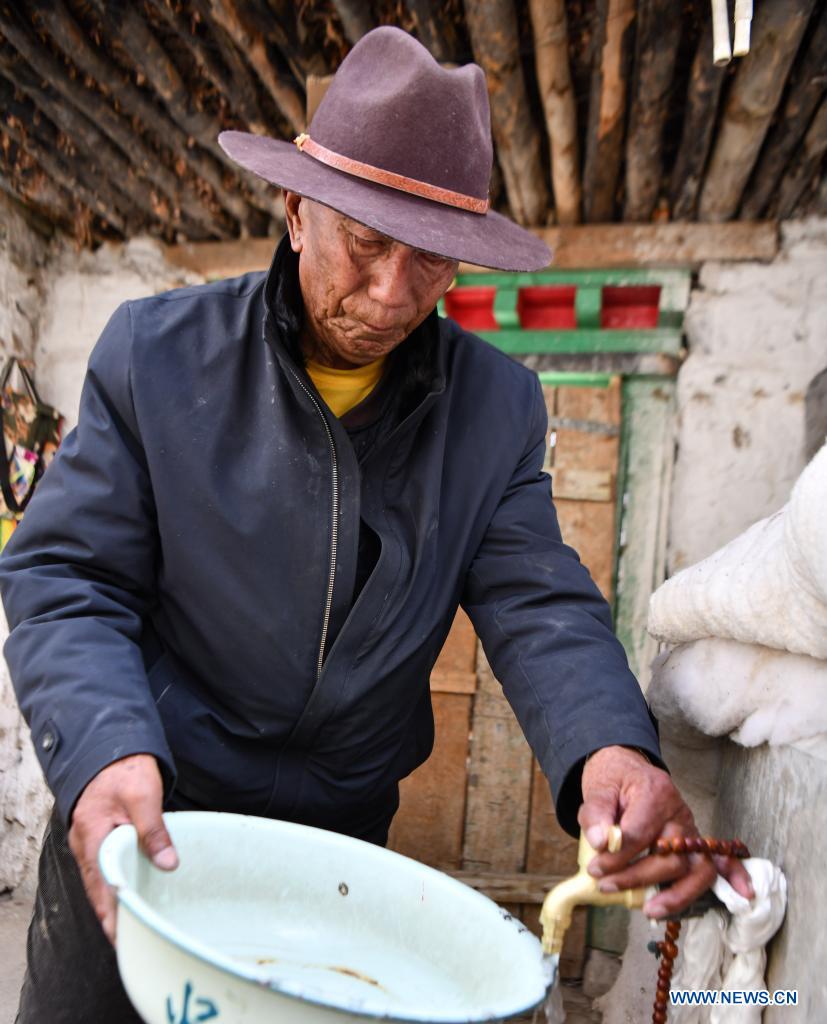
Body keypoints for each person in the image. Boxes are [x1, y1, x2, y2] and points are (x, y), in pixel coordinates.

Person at [0, 26, 751, 1023]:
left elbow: (537, 602)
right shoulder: (157, 358)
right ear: (296, 208)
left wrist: (610, 747)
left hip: (335, 848)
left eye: (432, 258)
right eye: (364, 244)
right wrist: (101, 746)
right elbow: (66, 576)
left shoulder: (492, 411)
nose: (393, 295)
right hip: (149, 810)